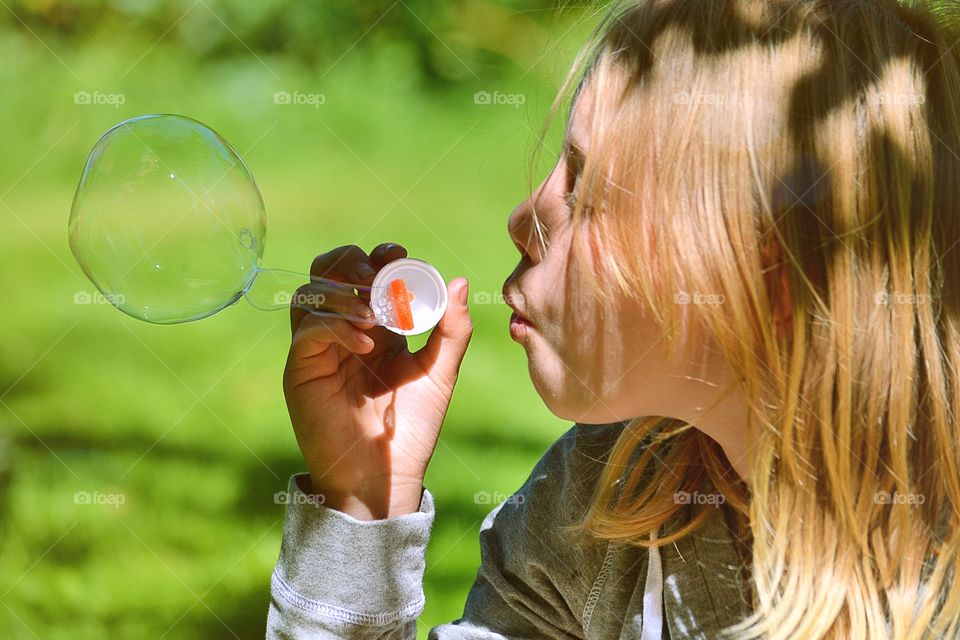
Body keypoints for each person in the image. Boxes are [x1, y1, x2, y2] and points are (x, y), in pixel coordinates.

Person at [266, 0, 960, 637]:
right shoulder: (608, 507)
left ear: (770, 281)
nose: (523, 216)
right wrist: (363, 505)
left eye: (588, 189)